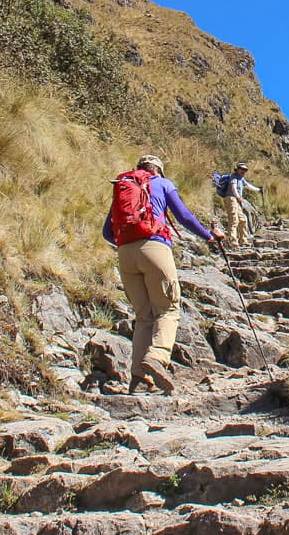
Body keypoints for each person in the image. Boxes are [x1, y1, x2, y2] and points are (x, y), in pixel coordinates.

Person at [103, 155, 221, 395]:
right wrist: (209, 236)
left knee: (144, 316)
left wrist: (129, 243)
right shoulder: (163, 184)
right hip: (155, 247)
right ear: (159, 170)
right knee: (168, 309)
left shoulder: (123, 186)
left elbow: (107, 232)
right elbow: (184, 217)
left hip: (125, 253)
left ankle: (138, 379)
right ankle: (157, 357)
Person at [222, 162, 262, 247]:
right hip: (231, 198)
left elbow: (248, 186)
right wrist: (237, 196)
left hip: (237, 200)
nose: (243, 171)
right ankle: (232, 241)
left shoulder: (241, 179)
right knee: (234, 219)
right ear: (238, 169)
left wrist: (258, 190)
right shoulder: (234, 177)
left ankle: (243, 240)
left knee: (243, 220)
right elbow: (233, 187)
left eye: (245, 170)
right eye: (242, 169)